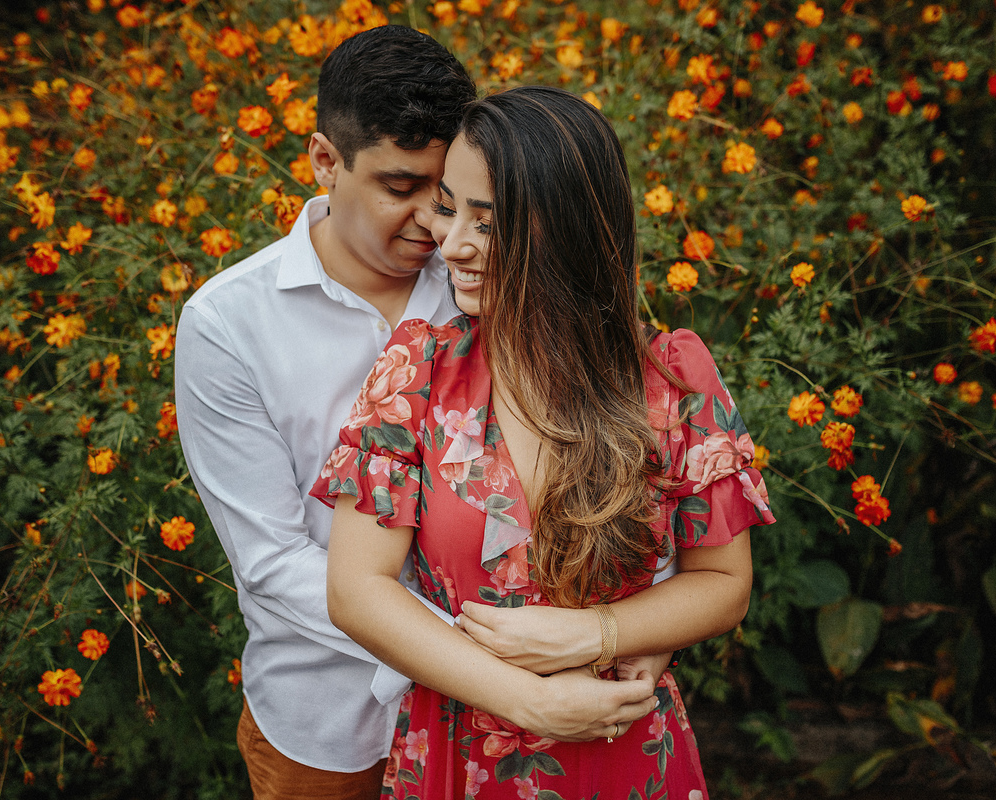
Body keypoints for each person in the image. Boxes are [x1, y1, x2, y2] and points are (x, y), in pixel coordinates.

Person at [176, 31, 662, 800]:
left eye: (446, 195)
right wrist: (494, 658)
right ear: (324, 161)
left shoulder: (489, 271)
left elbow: (603, 447)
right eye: (400, 188)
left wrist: (616, 630)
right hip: (334, 721)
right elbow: (272, 564)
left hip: (522, 724)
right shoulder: (228, 325)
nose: (434, 226)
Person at [313, 86, 775, 798]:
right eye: (449, 207)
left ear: (565, 231)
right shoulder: (419, 370)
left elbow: (723, 583)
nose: (452, 244)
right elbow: (356, 590)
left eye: (488, 223)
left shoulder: (671, 377)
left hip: (621, 747)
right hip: (459, 747)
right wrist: (523, 699)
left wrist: (602, 633)